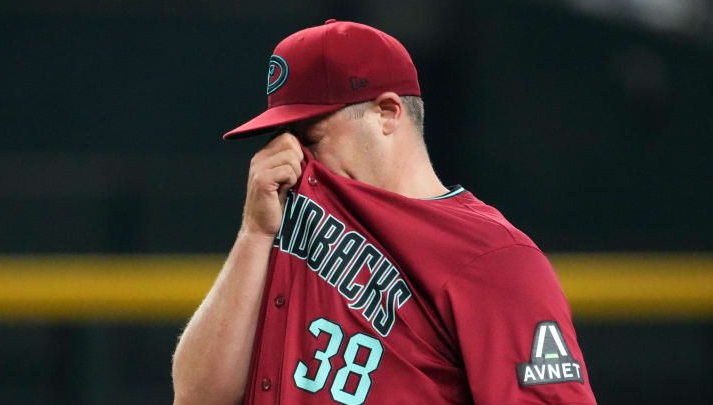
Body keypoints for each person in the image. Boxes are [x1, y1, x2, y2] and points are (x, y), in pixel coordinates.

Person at [171, 19, 597, 405]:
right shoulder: (282, 219)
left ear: (387, 113)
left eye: (312, 138)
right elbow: (197, 397)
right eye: (284, 139)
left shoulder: (495, 259)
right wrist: (254, 234)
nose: (295, 160)